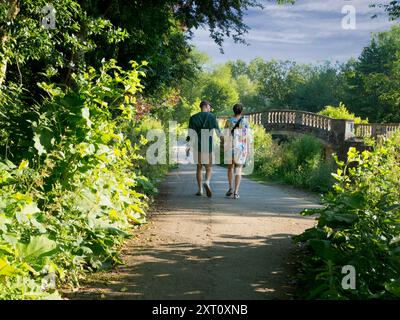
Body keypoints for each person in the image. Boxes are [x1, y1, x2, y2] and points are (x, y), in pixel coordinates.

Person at [187, 100, 220, 197]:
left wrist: (188, 146)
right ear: (205, 106)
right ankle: (207, 182)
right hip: (208, 147)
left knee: (199, 167)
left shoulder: (193, 118)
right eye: (209, 107)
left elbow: (190, 134)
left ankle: (200, 189)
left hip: (197, 146)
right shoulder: (212, 117)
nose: (210, 109)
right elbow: (219, 134)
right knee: (209, 168)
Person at [224, 103, 250, 199]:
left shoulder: (228, 121)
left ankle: (230, 188)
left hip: (230, 147)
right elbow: (247, 137)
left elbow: (226, 135)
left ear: (233, 110)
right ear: (242, 111)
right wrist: (248, 149)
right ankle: (236, 192)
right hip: (241, 148)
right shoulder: (245, 122)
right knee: (238, 169)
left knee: (230, 168)